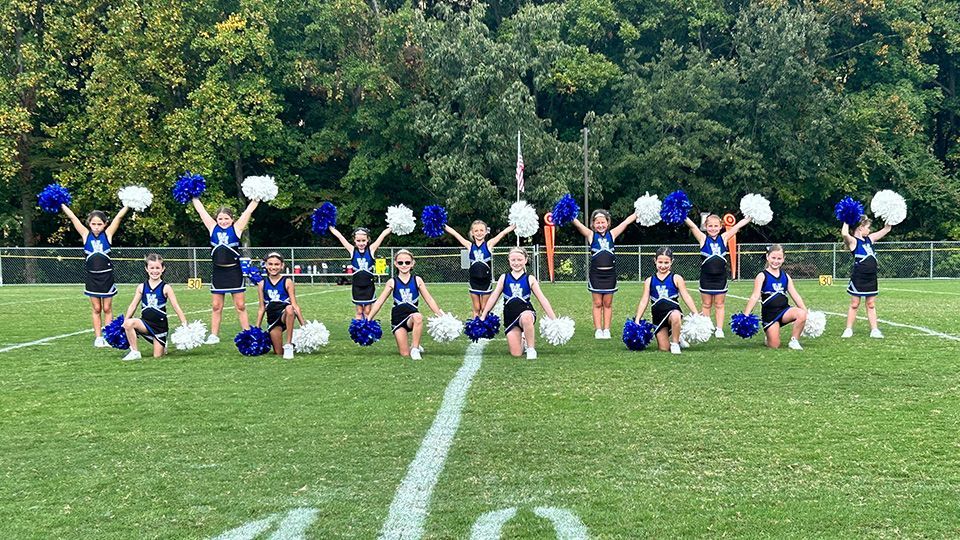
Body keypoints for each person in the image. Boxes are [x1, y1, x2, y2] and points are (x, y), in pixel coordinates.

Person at [190, 197, 259, 344]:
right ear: (216, 219)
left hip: (234, 271)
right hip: (218, 272)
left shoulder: (237, 229)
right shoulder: (212, 227)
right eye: (220, 218)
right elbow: (201, 211)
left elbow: (248, 211)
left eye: (226, 218)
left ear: (232, 219)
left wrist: (256, 198)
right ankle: (214, 335)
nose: (223, 221)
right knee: (216, 306)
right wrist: (194, 196)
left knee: (240, 306)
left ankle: (247, 333)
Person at [61, 203, 129, 347]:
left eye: (99, 224)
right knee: (96, 309)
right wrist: (61, 203)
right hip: (92, 277)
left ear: (105, 224)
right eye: (93, 223)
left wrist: (128, 204)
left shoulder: (108, 235)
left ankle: (109, 336)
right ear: (89, 224)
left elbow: (119, 217)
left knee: (107, 308)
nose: (96, 226)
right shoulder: (86, 235)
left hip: (107, 277)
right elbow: (73, 218)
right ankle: (98, 337)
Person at [479, 247, 559, 360]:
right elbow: (493, 297)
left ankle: (531, 349)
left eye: (520, 260)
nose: (516, 263)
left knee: (526, 317)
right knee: (516, 353)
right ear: (509, 260)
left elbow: (542, 299)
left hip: (526, 312)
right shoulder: (504, 278)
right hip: (510, 317)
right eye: (513, 260)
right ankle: (523, 338)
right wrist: (483, 316)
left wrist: (554, 319)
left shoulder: (530, 278)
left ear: (525, 260)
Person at [570, 208, 637, 339]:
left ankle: (607, 329)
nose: (600, 225)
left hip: (610, 274)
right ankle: (598, 330)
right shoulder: (591, 235)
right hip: (596, 275)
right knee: (597, 304)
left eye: (603, 222)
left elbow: (626, 222)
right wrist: (567, 213)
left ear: (608, 223)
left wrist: (637, 213)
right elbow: (577, 224)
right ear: (593, 224)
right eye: (597, 223)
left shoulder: (612, 234)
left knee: (607, 304)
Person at [367, 250, 444, 360]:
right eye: (400, 262)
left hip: (411, 317)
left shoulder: (417, 280)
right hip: (398, 319)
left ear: (412, 263)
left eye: (407, 262)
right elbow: (379, 302)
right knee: (404, 354)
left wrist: (441, 315)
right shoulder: (392, 282)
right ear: (395, 264)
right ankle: (412, 345)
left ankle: (415, 348)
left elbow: (429, 299)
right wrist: (369, 318)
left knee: (418, 317)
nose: (404, 265)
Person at [683, 213, 752, 337]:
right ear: (705, 226)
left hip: (720, 278)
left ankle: (719, 329)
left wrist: (750, 217)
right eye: (710, 226)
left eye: (716, 226)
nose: (713, 228)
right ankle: (707, 327)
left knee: (719, 304)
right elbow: (693, 227)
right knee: (706, 304)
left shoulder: (724, 238)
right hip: (706, 278)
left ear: (721, 226)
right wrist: (683, 216)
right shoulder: (703, 239)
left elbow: (736, 227)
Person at [632, 247, 700, 354]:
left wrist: (695, 313)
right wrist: (637, 319)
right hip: (658, 317)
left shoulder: (676, 278)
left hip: (673, 312)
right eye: (660, 262)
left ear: (671, 262)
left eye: (666, 262)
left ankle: (676, 343)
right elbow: (644, 300)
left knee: (675, 315)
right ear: (655, 261)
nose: (663, 266)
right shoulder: (649, 280)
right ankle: (678, 335)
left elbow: (686, 296)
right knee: (664, 348)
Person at [120, 254, 188, 360]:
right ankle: (135, 352)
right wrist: (125, 321)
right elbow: (133, 305)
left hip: (160, 326)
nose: (155, 271)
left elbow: (176, 307)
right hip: (145, 323)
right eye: (152, 268)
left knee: (157, 356)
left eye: (157, 268)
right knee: (129, 323)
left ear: (163, 269)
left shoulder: (166, 288)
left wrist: (185, 325)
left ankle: (161, 341)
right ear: (147, 269)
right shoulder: (141, 287)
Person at [742, 244, 809, 350]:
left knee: (801, 314)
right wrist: (746, 314)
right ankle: (768, 337)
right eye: (773, 258)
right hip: (770, 315)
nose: (776, 261)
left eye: (779, 258)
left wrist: (806, 311)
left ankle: (794, 341)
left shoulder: (785, 276)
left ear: (783, 259)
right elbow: (755, 296)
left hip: (784, 311)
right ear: (767, 257)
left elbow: (795, 295)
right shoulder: (762, 276)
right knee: (774, 346)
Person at [443, 220, 516, 317]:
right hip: (474, 281)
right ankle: (476, 328)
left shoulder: (489, 244)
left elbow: (502, 233)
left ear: (486, 232)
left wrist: (513, 226)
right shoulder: (469, 245)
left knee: (485, 307)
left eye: (482, 230)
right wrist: (442, 225)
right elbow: (456, 234)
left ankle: (485, 327)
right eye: (476, 231)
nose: (479, 233)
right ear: (472, 233)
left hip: (485, 281)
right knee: (476, 308)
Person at [841, 215, 893, 338]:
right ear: (860, 228)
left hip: (871, 277)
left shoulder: (870, 239)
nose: (869, 230)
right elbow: (844, 233)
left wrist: (890, 218)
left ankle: (874, 330)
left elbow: (886, 229)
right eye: (868, 227)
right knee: (854, 304)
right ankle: (848, 329)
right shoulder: (854, 241)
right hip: (859, 277)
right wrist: (847, 219)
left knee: (871, 304)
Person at [328, 225, 392, 319]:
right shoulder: (352, 250)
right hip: (357, 285)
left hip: (368, 286)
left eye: (363, 240)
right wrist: (330, 227)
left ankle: (367, 331)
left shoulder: (371, 250)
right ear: (354, 240)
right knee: (359, 311)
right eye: (358, 241)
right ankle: (358, 331)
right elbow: (340, 237)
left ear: (367, 240)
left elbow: (382, 235)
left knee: (367, 311)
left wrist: (392, 226)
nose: (361, 243)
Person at [255, 252, 305, 359]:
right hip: (272, 318)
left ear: (282, 266)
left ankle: (289, 344)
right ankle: (291, 346)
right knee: (278, 352)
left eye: (276, 264)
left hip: (285, 314)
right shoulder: (262, 284)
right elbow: (261, 308)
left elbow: (295, 305)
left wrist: (304, 325)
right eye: (271, 264)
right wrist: (256, 329)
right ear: (266, 265)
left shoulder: (287, 281)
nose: (273, 267)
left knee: (290, 308)